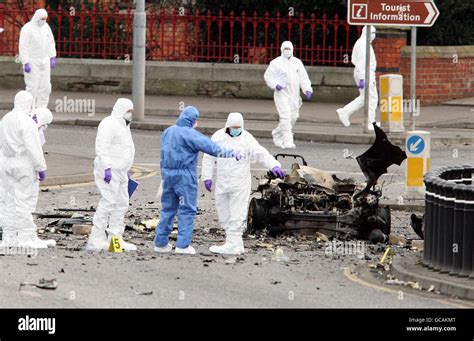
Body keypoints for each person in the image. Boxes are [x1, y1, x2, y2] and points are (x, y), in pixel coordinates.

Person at [154, 106, 242, 255]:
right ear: (193, 120)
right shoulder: (190, 135)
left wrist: (164, 175)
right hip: (184, 177)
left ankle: (160, 243)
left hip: (168, 175)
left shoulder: (168, 131)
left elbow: (163, 154)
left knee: (168, 210)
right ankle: (182, 245)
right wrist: (232, 153)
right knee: (187, 210)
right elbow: (212, 148)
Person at [201, 112, 285, 255]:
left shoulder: (246, 138)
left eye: (238, 127)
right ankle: (234, 243)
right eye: (234, 127)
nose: (236, 130)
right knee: (224, 213)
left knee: (237, 214)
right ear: (227, 126)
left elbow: (260, 153)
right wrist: (206, 176)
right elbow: (209, 156)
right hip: (223, 182)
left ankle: (233, 244)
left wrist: (274, 165)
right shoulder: (218, 137)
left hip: (240, 183)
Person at [0, 91, 53, 249]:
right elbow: (33, 147)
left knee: (10, 201)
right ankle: (25, 237)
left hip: (7, 163)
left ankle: (9, 238)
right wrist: (41, 167)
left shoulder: (6, 118)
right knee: (24, 202)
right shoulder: (26, 121)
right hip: (23, 164)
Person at [86, 98, 136, 252]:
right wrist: (106, 167)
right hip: (109, 170)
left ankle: (115, 241)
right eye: (129, 111)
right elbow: (102, 146)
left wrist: (126, 168)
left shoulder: (124, 126)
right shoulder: (109, 123)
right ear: (121, 110)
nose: (130, 114)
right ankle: (96, 239)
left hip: (120, 172)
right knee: (108, 202)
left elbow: (124, 148)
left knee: (121, 204)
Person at [264, 41, 313, 149]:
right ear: (281, 49)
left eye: (289, 49)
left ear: (292, 50)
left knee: (293, 117)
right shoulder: (275, 63)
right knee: (285, 117)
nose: (287, 51)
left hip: (294, 95)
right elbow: (268, 76)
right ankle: (288, 141)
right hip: (281, 95)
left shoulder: (297, 63)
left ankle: (277, 134)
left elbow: (303, 78)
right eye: (285, 49)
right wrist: (275, 85)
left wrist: (307, 89)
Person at [336, 26, 378, 131]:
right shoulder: (364, 45)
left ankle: (345, 112)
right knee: (372, 99)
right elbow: (362, 63)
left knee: (365, 98)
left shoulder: (363, 43)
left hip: (363, 73)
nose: (374, 35)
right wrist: (362, 78)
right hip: (365, 74)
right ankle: (370, 122)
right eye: (372, 32)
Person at [19, 8, 57, 109]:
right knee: (32, 87)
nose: (43, 21)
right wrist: (25, 62)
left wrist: (52, 56)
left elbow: (50, 42)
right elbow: (23, 46)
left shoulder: (46, 27)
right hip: (32, 61)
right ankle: (30, 110)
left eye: (45, 19)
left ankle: (41, 109)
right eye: (42, 19)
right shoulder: (27, 28)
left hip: (45, 60)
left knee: (46, 87)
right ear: (37, 17)